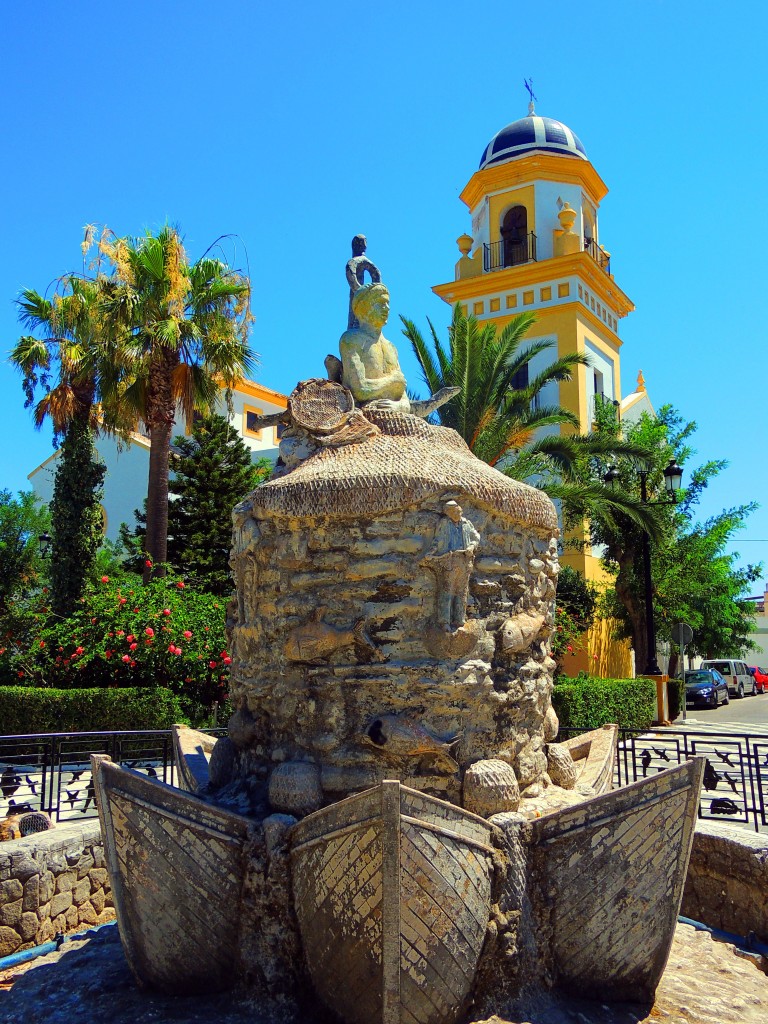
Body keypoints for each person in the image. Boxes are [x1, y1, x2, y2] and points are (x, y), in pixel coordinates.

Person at [338, 283, 410, 412]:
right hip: (364, 411)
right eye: (381, 303)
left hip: (394, 414)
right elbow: (361, 389)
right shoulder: (351, 340)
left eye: (388, 303)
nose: (387, 308)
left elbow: (405, 400)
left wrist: (398, 406)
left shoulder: (391, 348)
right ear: (364, 307)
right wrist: (392, 381)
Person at [424, 501, 481, 631]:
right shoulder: (444, 523)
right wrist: (431, 552)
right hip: (449, 560)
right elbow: (437, 540)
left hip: (464, 561)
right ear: (448, 513)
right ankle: (444, 620)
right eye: (454, 512)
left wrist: (471, 547)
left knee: (462, 590)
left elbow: (475, 537)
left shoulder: (467, 523)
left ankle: (459, 619)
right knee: (447, 589)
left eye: (459, 511)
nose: (458, 514)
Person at [346, 235, 381, 330]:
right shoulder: (357, 262)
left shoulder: (356, 261)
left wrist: (363, 292)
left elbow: (376, 276)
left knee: (354, 323)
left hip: (360, 298)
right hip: (360, 295)